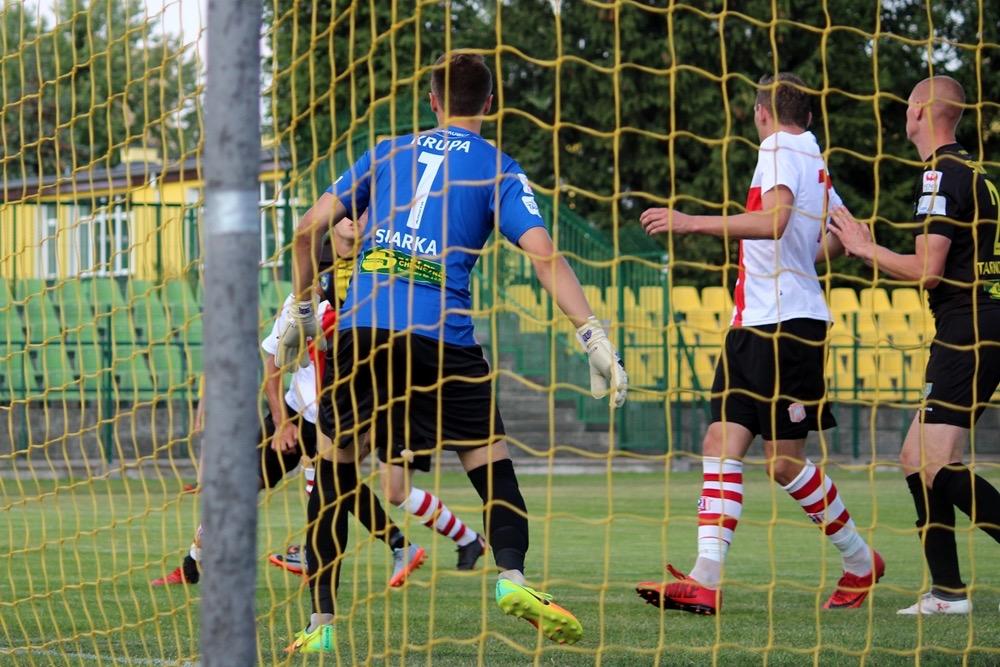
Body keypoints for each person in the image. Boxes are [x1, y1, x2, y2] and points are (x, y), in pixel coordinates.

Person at [279, 52, 628, 653]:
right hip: (444, 337)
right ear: (489, 103)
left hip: (365, 333)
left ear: (433, 101)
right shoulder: (499, 168)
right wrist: (592, 334)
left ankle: (321, 625)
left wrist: (301, 308)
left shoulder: (386, 151)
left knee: (333, 476)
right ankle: (513, 576)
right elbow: (544, 255)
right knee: (492, 468)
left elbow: (309, 227)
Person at [634, 72, 883, 616]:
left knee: (784, 464)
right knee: (720, 441)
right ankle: (705, 578)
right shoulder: (813, 156)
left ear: (760, 113)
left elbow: (774, 222)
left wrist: (688, 222)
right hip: (754, 323)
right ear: (808, 115)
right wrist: (798, 259)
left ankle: (861, 560)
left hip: (784, 327)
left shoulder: (777, 149)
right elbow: (843, 236)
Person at [829, 75, 1000, 615]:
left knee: (934, 462)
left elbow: (928, 270)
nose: (905, 115)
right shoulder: (977, 172)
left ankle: (947, 593)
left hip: (969, 329)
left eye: (907, 106)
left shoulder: (941, 174)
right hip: (978, 324)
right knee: (917, 458)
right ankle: (947, 593)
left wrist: (863, 247)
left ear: (921, 111)